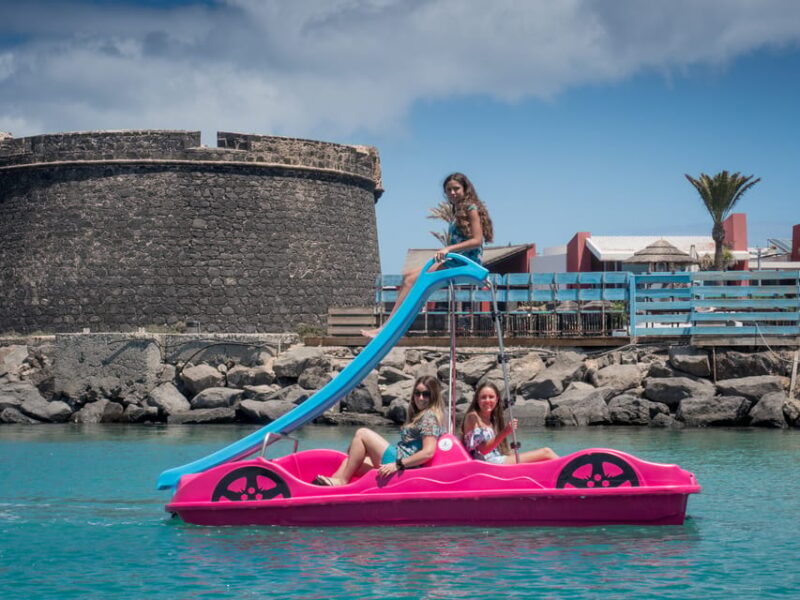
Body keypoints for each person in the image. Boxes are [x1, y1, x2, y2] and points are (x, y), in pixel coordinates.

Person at [361, 172, 493, 338]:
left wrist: (448, 249)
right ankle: (390, 325)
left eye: (456, 189)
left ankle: (386, 328)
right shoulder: (459, 209)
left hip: (464, 262)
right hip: (455, 260)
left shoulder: (471, 208)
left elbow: (477, 240)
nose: (452, 193)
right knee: (408, 276)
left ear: (465, 189)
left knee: (410, 280)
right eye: (448, 190)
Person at [313, 375, 444, 486]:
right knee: (351, 461)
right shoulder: (420, 415)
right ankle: (329, 488)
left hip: (403, 466)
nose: (420, 398)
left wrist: (397, 464)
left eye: (426, 394)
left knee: (362, 433)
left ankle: (342, 481)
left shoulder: (429, 417)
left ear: (433, 396)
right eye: (417, 393)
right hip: (400, 460)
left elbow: (428, 452)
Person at [461, 382, 557, 464]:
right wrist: (505, 432)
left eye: (491, 397)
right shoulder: (473, 417)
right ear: (477, 400)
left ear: (497, 399)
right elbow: (482, 450)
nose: (487, 400)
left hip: (493, 461)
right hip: (490, 464)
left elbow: (488, 448)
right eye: (483, 397)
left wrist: (509, 449)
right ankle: (569, 473)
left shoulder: (490, 419)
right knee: (546, 452)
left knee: (541, 459)